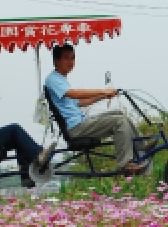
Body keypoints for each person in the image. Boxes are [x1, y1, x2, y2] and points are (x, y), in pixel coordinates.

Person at [45, 44, 154, 173]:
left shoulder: (62, 80)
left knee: (119, 113)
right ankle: (125, 163)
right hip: (75, 128)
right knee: (119, 121)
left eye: (72, 58)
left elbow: (78, 102)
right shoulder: (53, 79)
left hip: (80, 122)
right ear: (57, 61)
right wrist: (103, 91)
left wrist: (103, 96)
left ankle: (141, 147)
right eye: (66, 58)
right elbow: (74, 94)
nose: (70, 62)